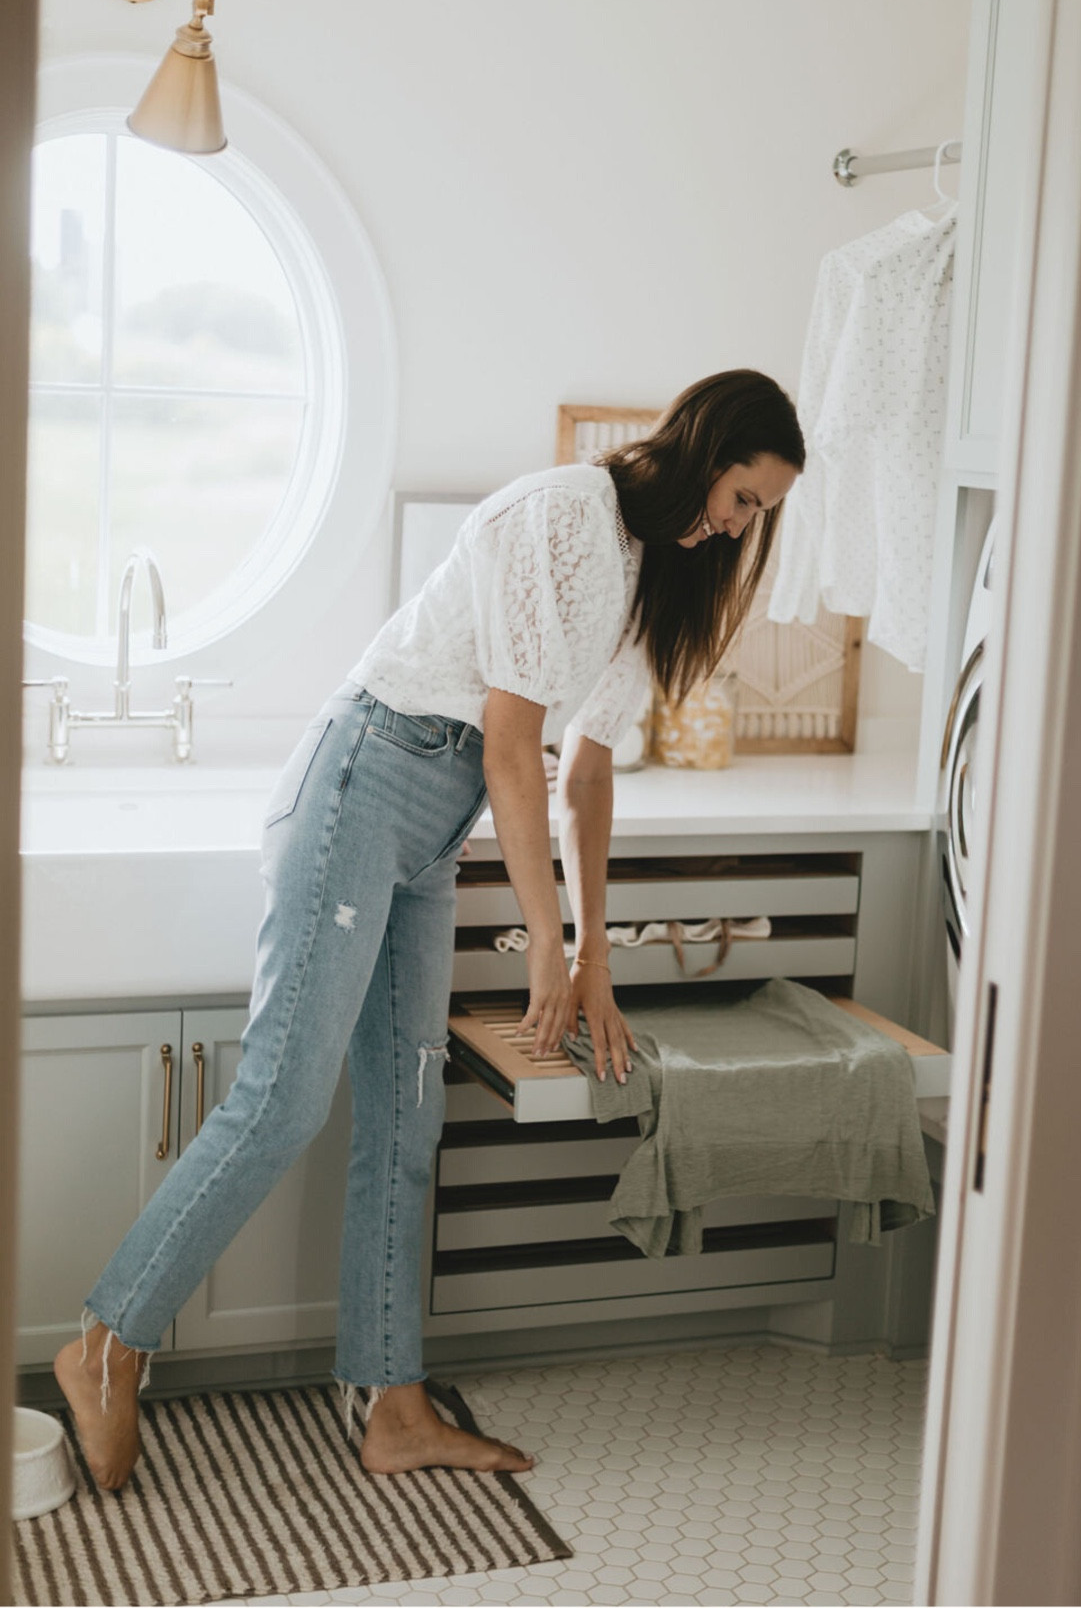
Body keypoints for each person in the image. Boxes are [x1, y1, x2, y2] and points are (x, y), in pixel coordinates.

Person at [54, 367, 805, 1491]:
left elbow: (586, 772)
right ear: (704, 451)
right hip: (366, 784)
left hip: (435, 830)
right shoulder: (564, 513)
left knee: (408, 1117)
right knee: (284, 1097)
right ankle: (107, 1341)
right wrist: (544, 939)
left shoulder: (653, 572)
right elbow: (510, 741)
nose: (741, 527)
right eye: (744, 498)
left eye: (759, 514)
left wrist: (594, 952)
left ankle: (394, 1405)